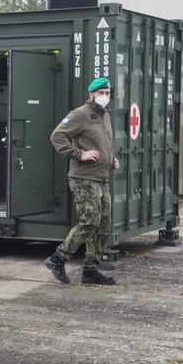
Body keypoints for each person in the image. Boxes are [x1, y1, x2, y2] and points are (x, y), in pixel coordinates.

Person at [44, 77, 119, 286]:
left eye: (108, 92)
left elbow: (103, 144)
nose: (106, 96)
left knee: (104, 226)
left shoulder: (105, 117)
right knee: (89, 221)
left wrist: (111, 159)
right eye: (102, 92)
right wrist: (79, 154)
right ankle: (57, 259)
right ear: (92, 94)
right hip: (83, 178)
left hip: (102, 178)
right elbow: (57, 136)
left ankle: (90, 270)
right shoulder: (80, 114)